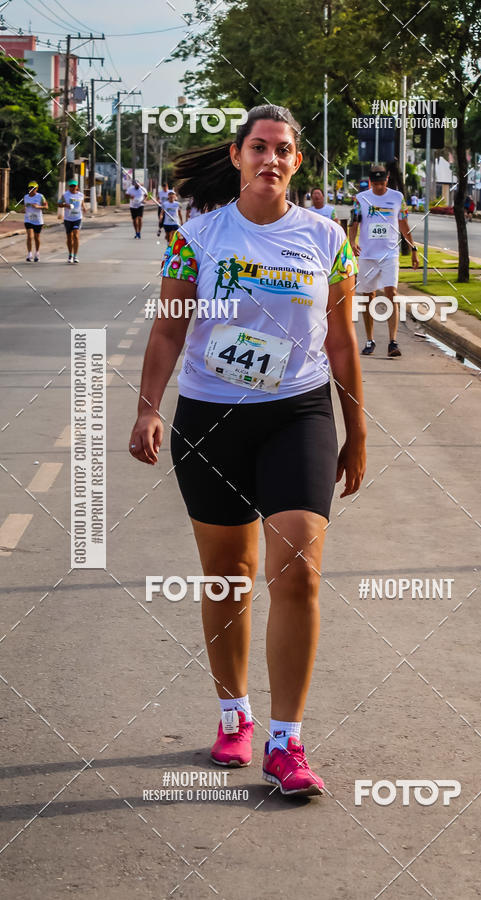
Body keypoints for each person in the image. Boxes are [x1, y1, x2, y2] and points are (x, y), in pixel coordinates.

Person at [128, 104, 365, 798]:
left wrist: (359, 432)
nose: (271, 158)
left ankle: (286, 743)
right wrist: (149, 408)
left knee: (297, 572)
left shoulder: (327, 238)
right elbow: (170, 331)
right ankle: (234, 712)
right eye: (258, 147)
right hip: (210, 417)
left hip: (300, 412)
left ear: (297, 162)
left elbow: (344, 341)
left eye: (283, 150)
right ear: (236, 156)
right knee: (229, 575)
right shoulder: (195, 237)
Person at [348, 164, 419, 358]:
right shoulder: (360, 199)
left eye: (382, 183)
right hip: (367, 255)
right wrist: (351, 242)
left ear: (387, 180)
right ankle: (370, 340)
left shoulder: (397, 198)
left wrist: (413, 249)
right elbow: (353, 222)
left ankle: (392, 341)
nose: (379, 187)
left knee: (392, 293)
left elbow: (404, 224)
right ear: (371, 182)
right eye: (376, 183)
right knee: (367, 296)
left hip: (390, 254)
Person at [58, 178, 86, 264]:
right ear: (69, 187)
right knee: (69, 238)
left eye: (74, 186)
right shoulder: (65, 195)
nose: (73, 187)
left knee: (76, 235)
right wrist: (65, 205)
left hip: (77, 218)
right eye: (71, 186)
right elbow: (59, 204)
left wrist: (84, 207)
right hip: (68, 219)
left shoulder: (81, 195)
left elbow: (82, 203)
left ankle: (75, 256)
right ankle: (70, 255)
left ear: (77, 187)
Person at [23, 180, 48, 262]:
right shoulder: (26, 197)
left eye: (33, 188)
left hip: (38, 220)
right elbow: (25, 207)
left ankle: (37, 253)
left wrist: (38, 207)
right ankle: (29, 254)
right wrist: (22, 210)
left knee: (37, 237)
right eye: (30, 187)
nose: (31, 189)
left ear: (36, 188)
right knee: (29, 236)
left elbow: (46, 206)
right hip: (28, 219)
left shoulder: (40, 196)